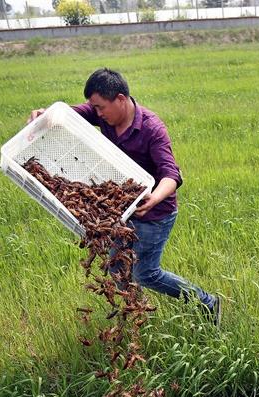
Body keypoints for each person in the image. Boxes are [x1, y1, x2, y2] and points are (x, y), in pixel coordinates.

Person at [29, 68, 221, 325]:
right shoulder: (105, 116)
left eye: (100, 108)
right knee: (118, 268)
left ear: (120, 99)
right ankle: (138, 318)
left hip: (153, 213)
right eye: (94, 108)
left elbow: (171, 175)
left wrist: (153, 198)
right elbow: (67, 113)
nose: (97, 114)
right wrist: (45, 114)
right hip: (120, 209)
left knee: (145, 273)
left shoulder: (152, 129)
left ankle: (207, 302)